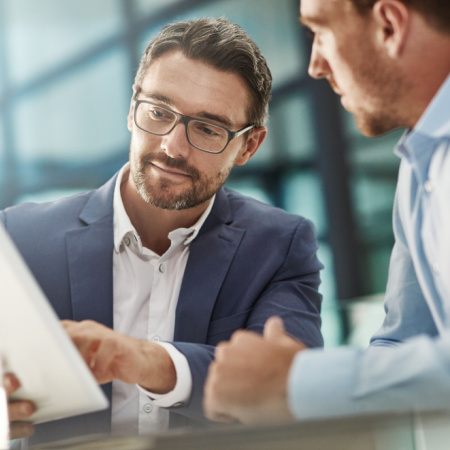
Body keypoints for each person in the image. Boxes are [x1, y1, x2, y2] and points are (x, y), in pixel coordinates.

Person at [1, 18, 324, 444]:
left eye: (207, 128)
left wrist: (146, 361)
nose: (173, 147)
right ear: (133, 107)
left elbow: (290, 385)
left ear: (249, 146)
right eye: (159, 112)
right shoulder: (18, 237)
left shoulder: (280, 246)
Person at [204, 0, 450, 424]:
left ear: (389, 25)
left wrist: (300, 383)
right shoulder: (420, 164)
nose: (315, 65)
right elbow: (402, 344)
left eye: (321, 30)